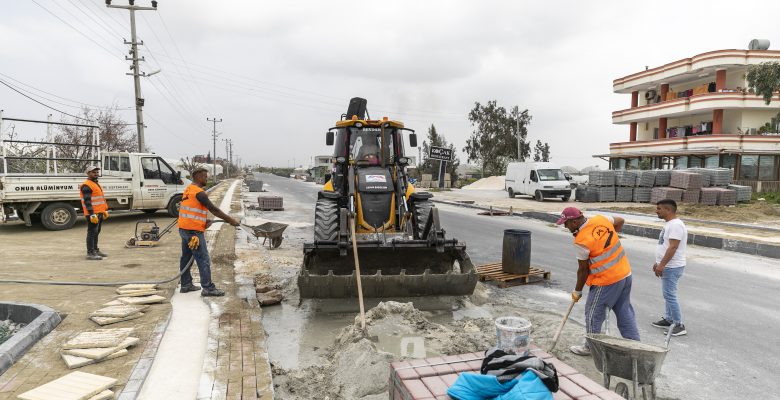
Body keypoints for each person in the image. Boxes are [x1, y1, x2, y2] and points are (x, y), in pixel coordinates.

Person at [556, 207, 640, 356]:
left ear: (574, 222)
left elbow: (583, 270)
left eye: (566, 223)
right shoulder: (600, 219)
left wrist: (577, 291)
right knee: (624, 311)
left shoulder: (581, 241)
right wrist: (612, 235)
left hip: (606, 281)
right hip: (625, 275)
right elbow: (620, 221)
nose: (565, 226)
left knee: (593, 313)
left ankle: (590, 347)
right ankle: (636, 347)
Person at [178, 167, 240, 296]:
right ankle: (208, 288)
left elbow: (191, 209)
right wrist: (230, 220)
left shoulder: (189, 189)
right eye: (206, 177)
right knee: (203, 259)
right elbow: (214, 210)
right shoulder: (200, 193)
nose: (207, 178)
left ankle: (185, 284)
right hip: (193, 232)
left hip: (184, 228)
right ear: (199, 177)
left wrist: (203, 221)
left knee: (186, 257)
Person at [652, 199, 688, 336]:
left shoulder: (676, 225)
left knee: (670, 294)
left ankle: (679, 325)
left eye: (659, 208)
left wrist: (662, 264)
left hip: (672, 266)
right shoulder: (670, 224)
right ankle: (669, 319)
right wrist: (658, 262)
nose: (657, 211)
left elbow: (673, 247)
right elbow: (665, 245)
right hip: (668, 265)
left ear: (668, 210)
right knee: (668, 294)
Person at [80, 165, 109, 261]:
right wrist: (91, 214)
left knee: (96, 232)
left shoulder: (95, 183)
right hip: (93, 214)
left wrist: (104, 210)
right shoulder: (86, 185)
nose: (96, 173)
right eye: (93, 172)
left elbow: (99, 199)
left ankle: (95, 250)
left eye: (97, 172)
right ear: (88, 173)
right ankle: (90, 253)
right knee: (92, 233)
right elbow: (87, 201)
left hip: (99, 212)